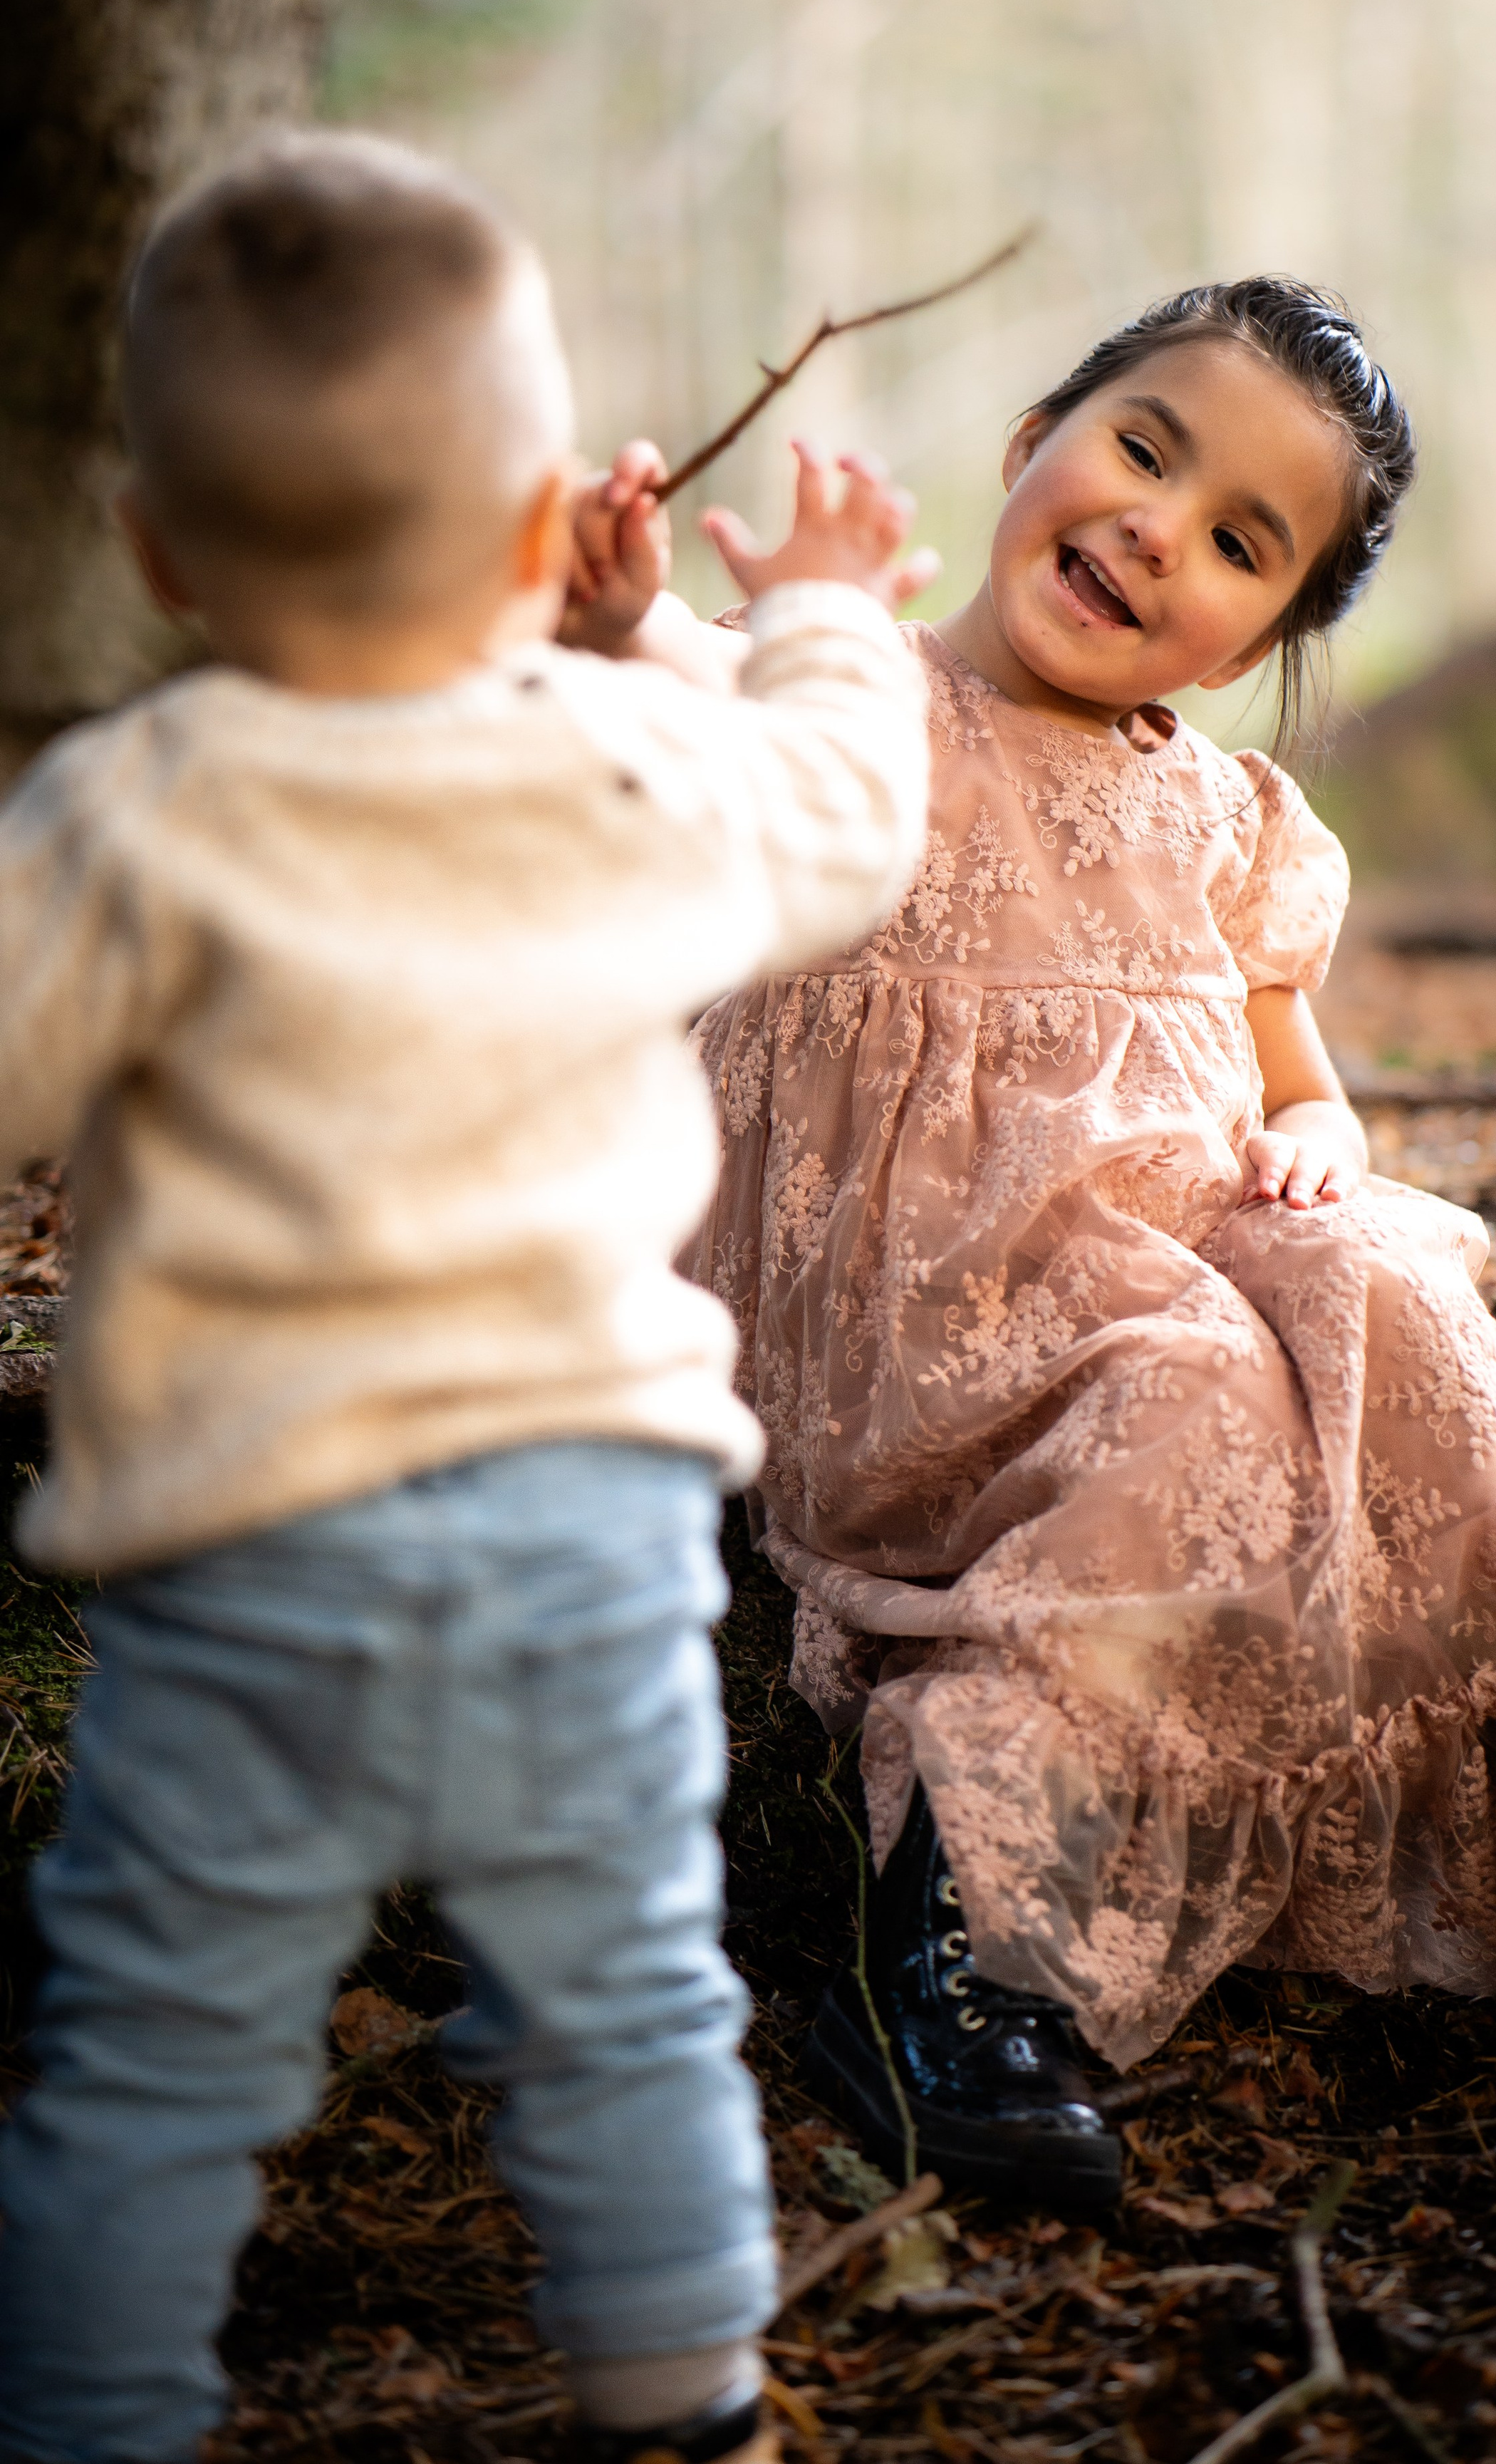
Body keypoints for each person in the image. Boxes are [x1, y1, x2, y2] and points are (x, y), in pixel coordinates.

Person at [680, 279, 1496, 2208]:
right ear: (1035, 436)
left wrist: (1312, 1146)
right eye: (1142, 450)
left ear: (1260, 641)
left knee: (1395, 1290)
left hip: (1164, 1252)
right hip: (912, 1303)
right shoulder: (841, 702)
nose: (1158, 531)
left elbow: (1307, 1090)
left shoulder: (1229, 823)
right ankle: (959, 1955)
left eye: (1238, 543)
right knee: (1197, 1388)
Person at [0, 131, 933, 2464]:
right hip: (584, 1542)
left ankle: (91, 2411)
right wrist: (824, 608)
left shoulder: (131, 810)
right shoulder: (626, 757)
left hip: (245, 1551)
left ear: (151, 551)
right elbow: (845, 813)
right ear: (543, 538)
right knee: (628, 2000)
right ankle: (686, 2400)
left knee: (159, 2043)